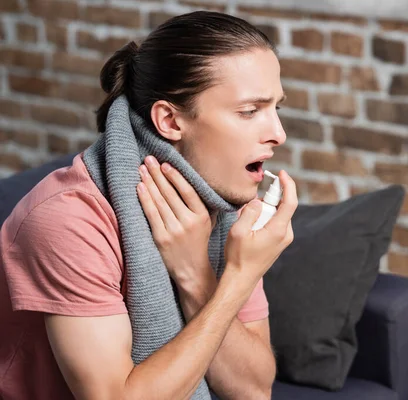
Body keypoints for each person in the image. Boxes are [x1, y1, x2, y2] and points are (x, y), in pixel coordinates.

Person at [0, 11, 296, 400]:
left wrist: (197, 276)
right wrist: (239, 278)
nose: (278, 133)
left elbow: (253, 390)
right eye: (249, 111)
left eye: (277, 107)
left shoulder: (224, 204)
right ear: (170, 121)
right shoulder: (67, 219)